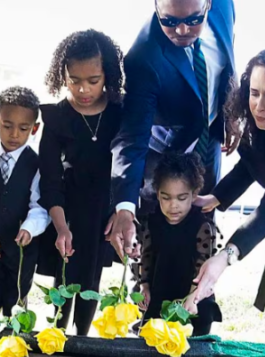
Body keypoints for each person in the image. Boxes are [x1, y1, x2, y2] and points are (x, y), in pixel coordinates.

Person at [108, 0, 236, 261]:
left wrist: (231, 114)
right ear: (156, 7)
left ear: (209, 5)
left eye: (192, 20)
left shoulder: (225, 6)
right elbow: (133, 137)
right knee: (159, 243)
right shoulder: (143, 57)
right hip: (165, 154)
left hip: (208, 140)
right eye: (169, 21)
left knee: (202, 230)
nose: (181, 30)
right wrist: (125, 208)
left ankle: (199, 295)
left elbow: (227, 61)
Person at [38, 30, 123, 335]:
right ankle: (56, 337)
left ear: (108, 75)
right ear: (62, 74)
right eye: (74, 80)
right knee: (64, 277)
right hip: (67, 210)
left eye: (93, 80)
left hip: (106, 210)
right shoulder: (56, 118)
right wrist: (61, 227)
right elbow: (50, 179)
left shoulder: (120, 113)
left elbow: (132, 166)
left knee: (92, 279)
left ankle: (84, 339)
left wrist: (121, 211)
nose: (83, 89)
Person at [190, 51, 265, 312]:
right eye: (255, 93)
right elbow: (250, 164)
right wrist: (217, 197)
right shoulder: (257, 128)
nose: (260, 105)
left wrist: (226, 255)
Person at [0, 87, 50, 318]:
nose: (14, 134)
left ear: (34, 128)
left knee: (16, 299)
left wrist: (29, 229)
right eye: (7, 126)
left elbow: (40, 206)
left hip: (22, 249)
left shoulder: (37, 164)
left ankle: (14, 343)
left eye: (23, 128)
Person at [137, 152, 222, 335]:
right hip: (160, 289)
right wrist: (144, 286)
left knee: (194, 346)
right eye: (165, 198)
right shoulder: (152, 222)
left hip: (194, 293)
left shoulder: (202, 225)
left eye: (181, 198)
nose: (173, 205)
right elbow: (146, 256)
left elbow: (202, 265)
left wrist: (193, 297)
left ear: (194, 194)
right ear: (157, 194)